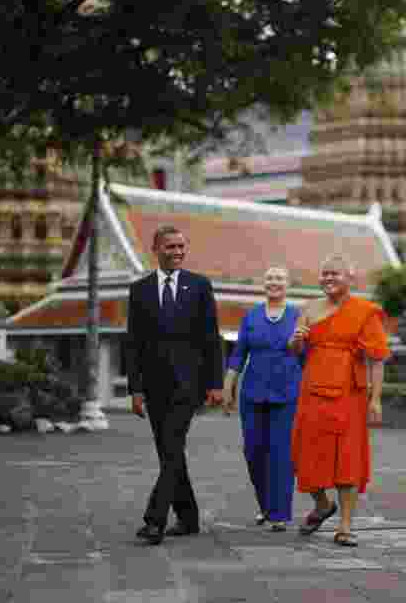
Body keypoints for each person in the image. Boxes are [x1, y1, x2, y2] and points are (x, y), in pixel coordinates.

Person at [126, 224, 225, 545]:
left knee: (170, 451)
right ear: (156, 249)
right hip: (154, 387)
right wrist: (135, 389)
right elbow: (133, 343)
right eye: (171, 247)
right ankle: (189, 518)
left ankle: (154, 520)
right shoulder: (139, 290)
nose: (178, 252)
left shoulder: (199, 286)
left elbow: (211, 337)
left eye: (182, 246)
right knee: (170, 452)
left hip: (189, 385)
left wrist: (214, 383)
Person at [288, 253, 390, 547]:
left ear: (350, 279)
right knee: (303, 452)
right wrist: (296, 341)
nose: (329, 279)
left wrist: (376, 399)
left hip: (350, 394)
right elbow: (296, 350)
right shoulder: (309, 308)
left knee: (348, 458)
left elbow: (378, 358)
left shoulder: (364, 311)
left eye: (336, 274)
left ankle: (345, 525)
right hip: (313, 390)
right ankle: (321, 504)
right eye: (325, 274)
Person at [222, 266, 303, 531]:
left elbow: (307, 356)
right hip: (252, 393)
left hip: (287, 393)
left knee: (281, 454)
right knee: (254, 452)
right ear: (263, 283)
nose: (274, 282)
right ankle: (266, 505)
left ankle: (279, 514)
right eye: (269, 278)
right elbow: (238, 355)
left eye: (279, 278)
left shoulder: (298, 316)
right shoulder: (252, 316)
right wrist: (228, 387)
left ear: (288, 284)